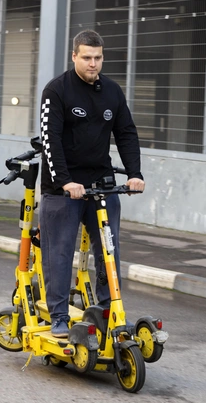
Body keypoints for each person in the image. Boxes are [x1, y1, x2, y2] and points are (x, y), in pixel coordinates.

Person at [39, 29, 144, 338]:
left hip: (101, 184)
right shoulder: (56, 90)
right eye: (86, 57)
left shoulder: (112, 91)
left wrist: (134, 173)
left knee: (108, 251)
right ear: (74, 56)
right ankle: (58, 314)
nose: (93, 64)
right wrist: (65, 181)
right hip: (64, 188)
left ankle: (109, 310)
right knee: (58, 252)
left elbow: (126, 132)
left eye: (98, 58)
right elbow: (50, 140)